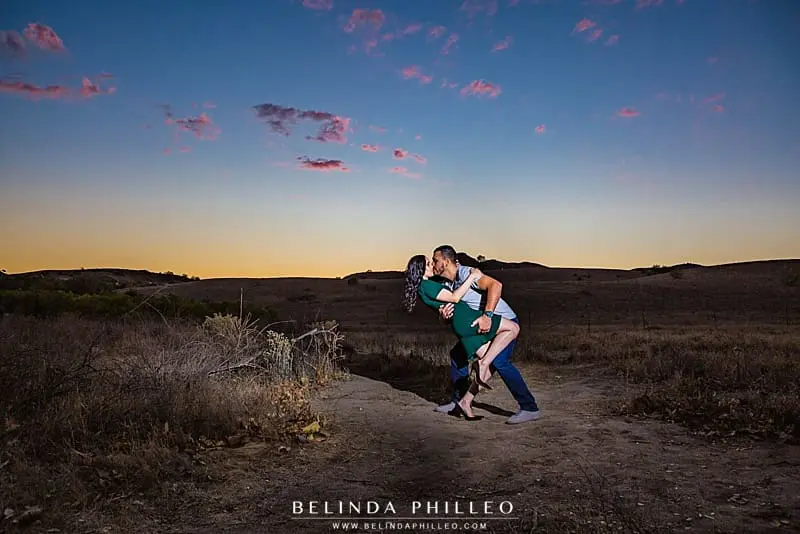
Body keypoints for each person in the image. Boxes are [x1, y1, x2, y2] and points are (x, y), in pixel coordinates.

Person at [432, 245, 541, 424]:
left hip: (503, 322)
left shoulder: (467, 273)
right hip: (483, 328)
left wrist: (488, 315)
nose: (433, 264)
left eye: (435, 260)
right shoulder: (447, 285)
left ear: (446, 261)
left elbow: (496, 285)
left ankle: (530, 408)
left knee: (500, 362)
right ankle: (458, 402)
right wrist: (445, 317)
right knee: (457, 355)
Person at [402, 254, 521, 420]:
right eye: (429, 263)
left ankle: (465, 401)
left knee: (490, 361)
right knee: (513, 328)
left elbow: (442, 305)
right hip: (466, 319)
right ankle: (526, 404)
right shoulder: (426, 285)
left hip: (462, 319)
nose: (432, 265)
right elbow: (455, 298)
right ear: (420, 269)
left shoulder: (428, 285)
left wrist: (442, 313)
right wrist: (472, 276)